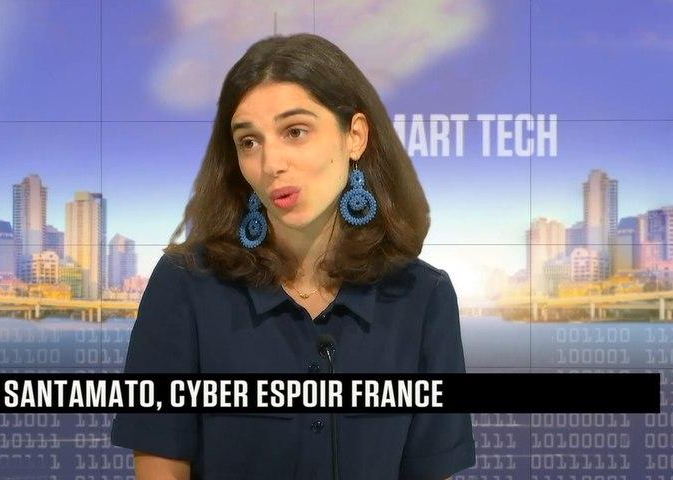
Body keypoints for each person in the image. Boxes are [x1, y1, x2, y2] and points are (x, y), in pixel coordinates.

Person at [110, 33, 475, 480]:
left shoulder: (422, 296)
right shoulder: (185, 285)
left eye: (295, 132)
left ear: (354, 136)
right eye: (249, 141)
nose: (271, 164)